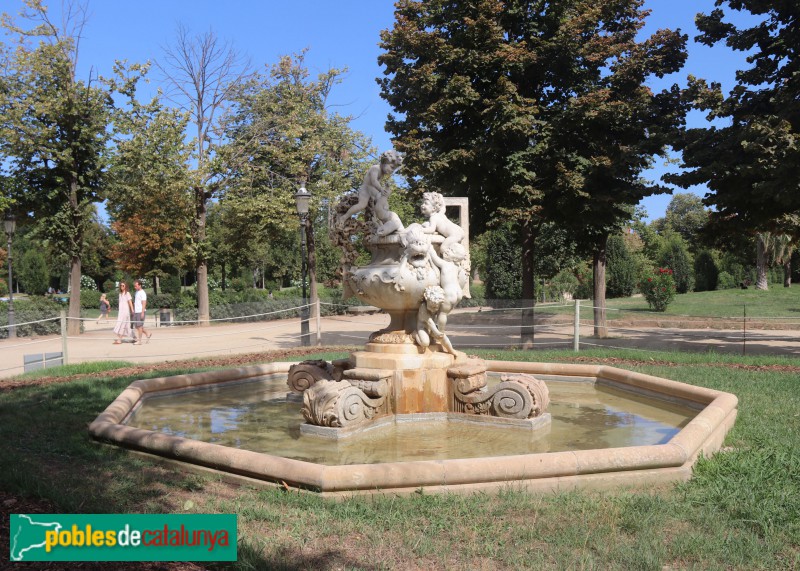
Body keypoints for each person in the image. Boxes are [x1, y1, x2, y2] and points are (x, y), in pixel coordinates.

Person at [338, 150, 404, 236]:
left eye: (394, 169)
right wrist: (381, 189)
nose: (392, 171)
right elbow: (373, 181)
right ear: (384, 162)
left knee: (384, 205)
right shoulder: (375, 168)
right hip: (366, 189)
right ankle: (343, 218)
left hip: (374, 190)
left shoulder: (382, 173)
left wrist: (385, 189)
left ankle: (383, 224)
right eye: (392, 167)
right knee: (362, 205)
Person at [132, 279, 152, 345]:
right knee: (137, 326)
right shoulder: (136, 292)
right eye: (134, 286)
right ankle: (147, 334)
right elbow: (136, 303)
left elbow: (144, 303)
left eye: (136, 286)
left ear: (140, 285)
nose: (135, 287)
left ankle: (139, 341)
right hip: (136, 311)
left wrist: (142, 312)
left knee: (139, 326)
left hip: (140, 311)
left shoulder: (142, 293)